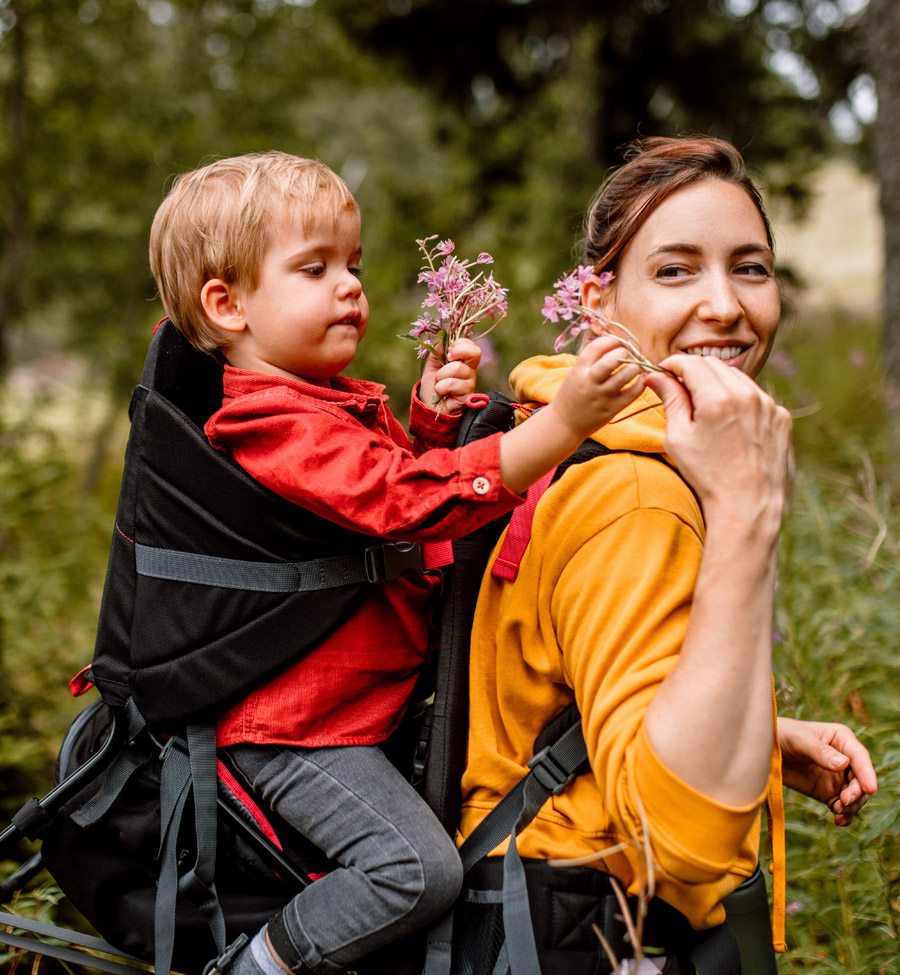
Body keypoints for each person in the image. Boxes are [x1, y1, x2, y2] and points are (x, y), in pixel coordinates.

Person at [147, 151, 648, 975]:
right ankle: (256, 967)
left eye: (353, 264)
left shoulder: (321, 404)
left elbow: (367, 506)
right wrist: (560, 424)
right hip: (299, 734)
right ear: (226, 303)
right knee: (415, 872)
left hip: (351, 712)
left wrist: (428, 420)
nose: (349, 285)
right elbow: (403, 504)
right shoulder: (268, 425)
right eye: (314, 268)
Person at [456, 136, 878, 973]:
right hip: (590, 930)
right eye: (677, 270)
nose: (725, 305)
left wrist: (756, 735)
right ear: (597, 301)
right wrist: (749, 509)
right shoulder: (638, 495)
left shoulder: (552, 437)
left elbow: (564, 685)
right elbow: (676, 838)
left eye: (750, 268)